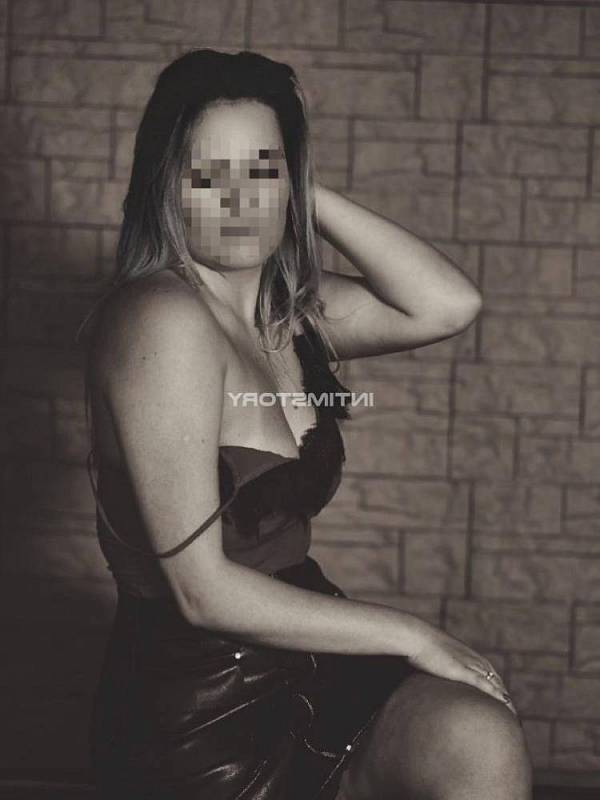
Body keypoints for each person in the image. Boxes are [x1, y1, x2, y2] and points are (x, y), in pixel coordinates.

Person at [78, 49, 532, 800]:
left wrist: (301, 186)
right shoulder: (161, 318)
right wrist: (415, 634)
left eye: (262, 169)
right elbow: (201, 593)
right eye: (207, 175)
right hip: (200, 702)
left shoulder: (287, 317)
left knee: (477, 738)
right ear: (165, 185)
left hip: (308, 652)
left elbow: (448, 305)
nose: (239, 199)